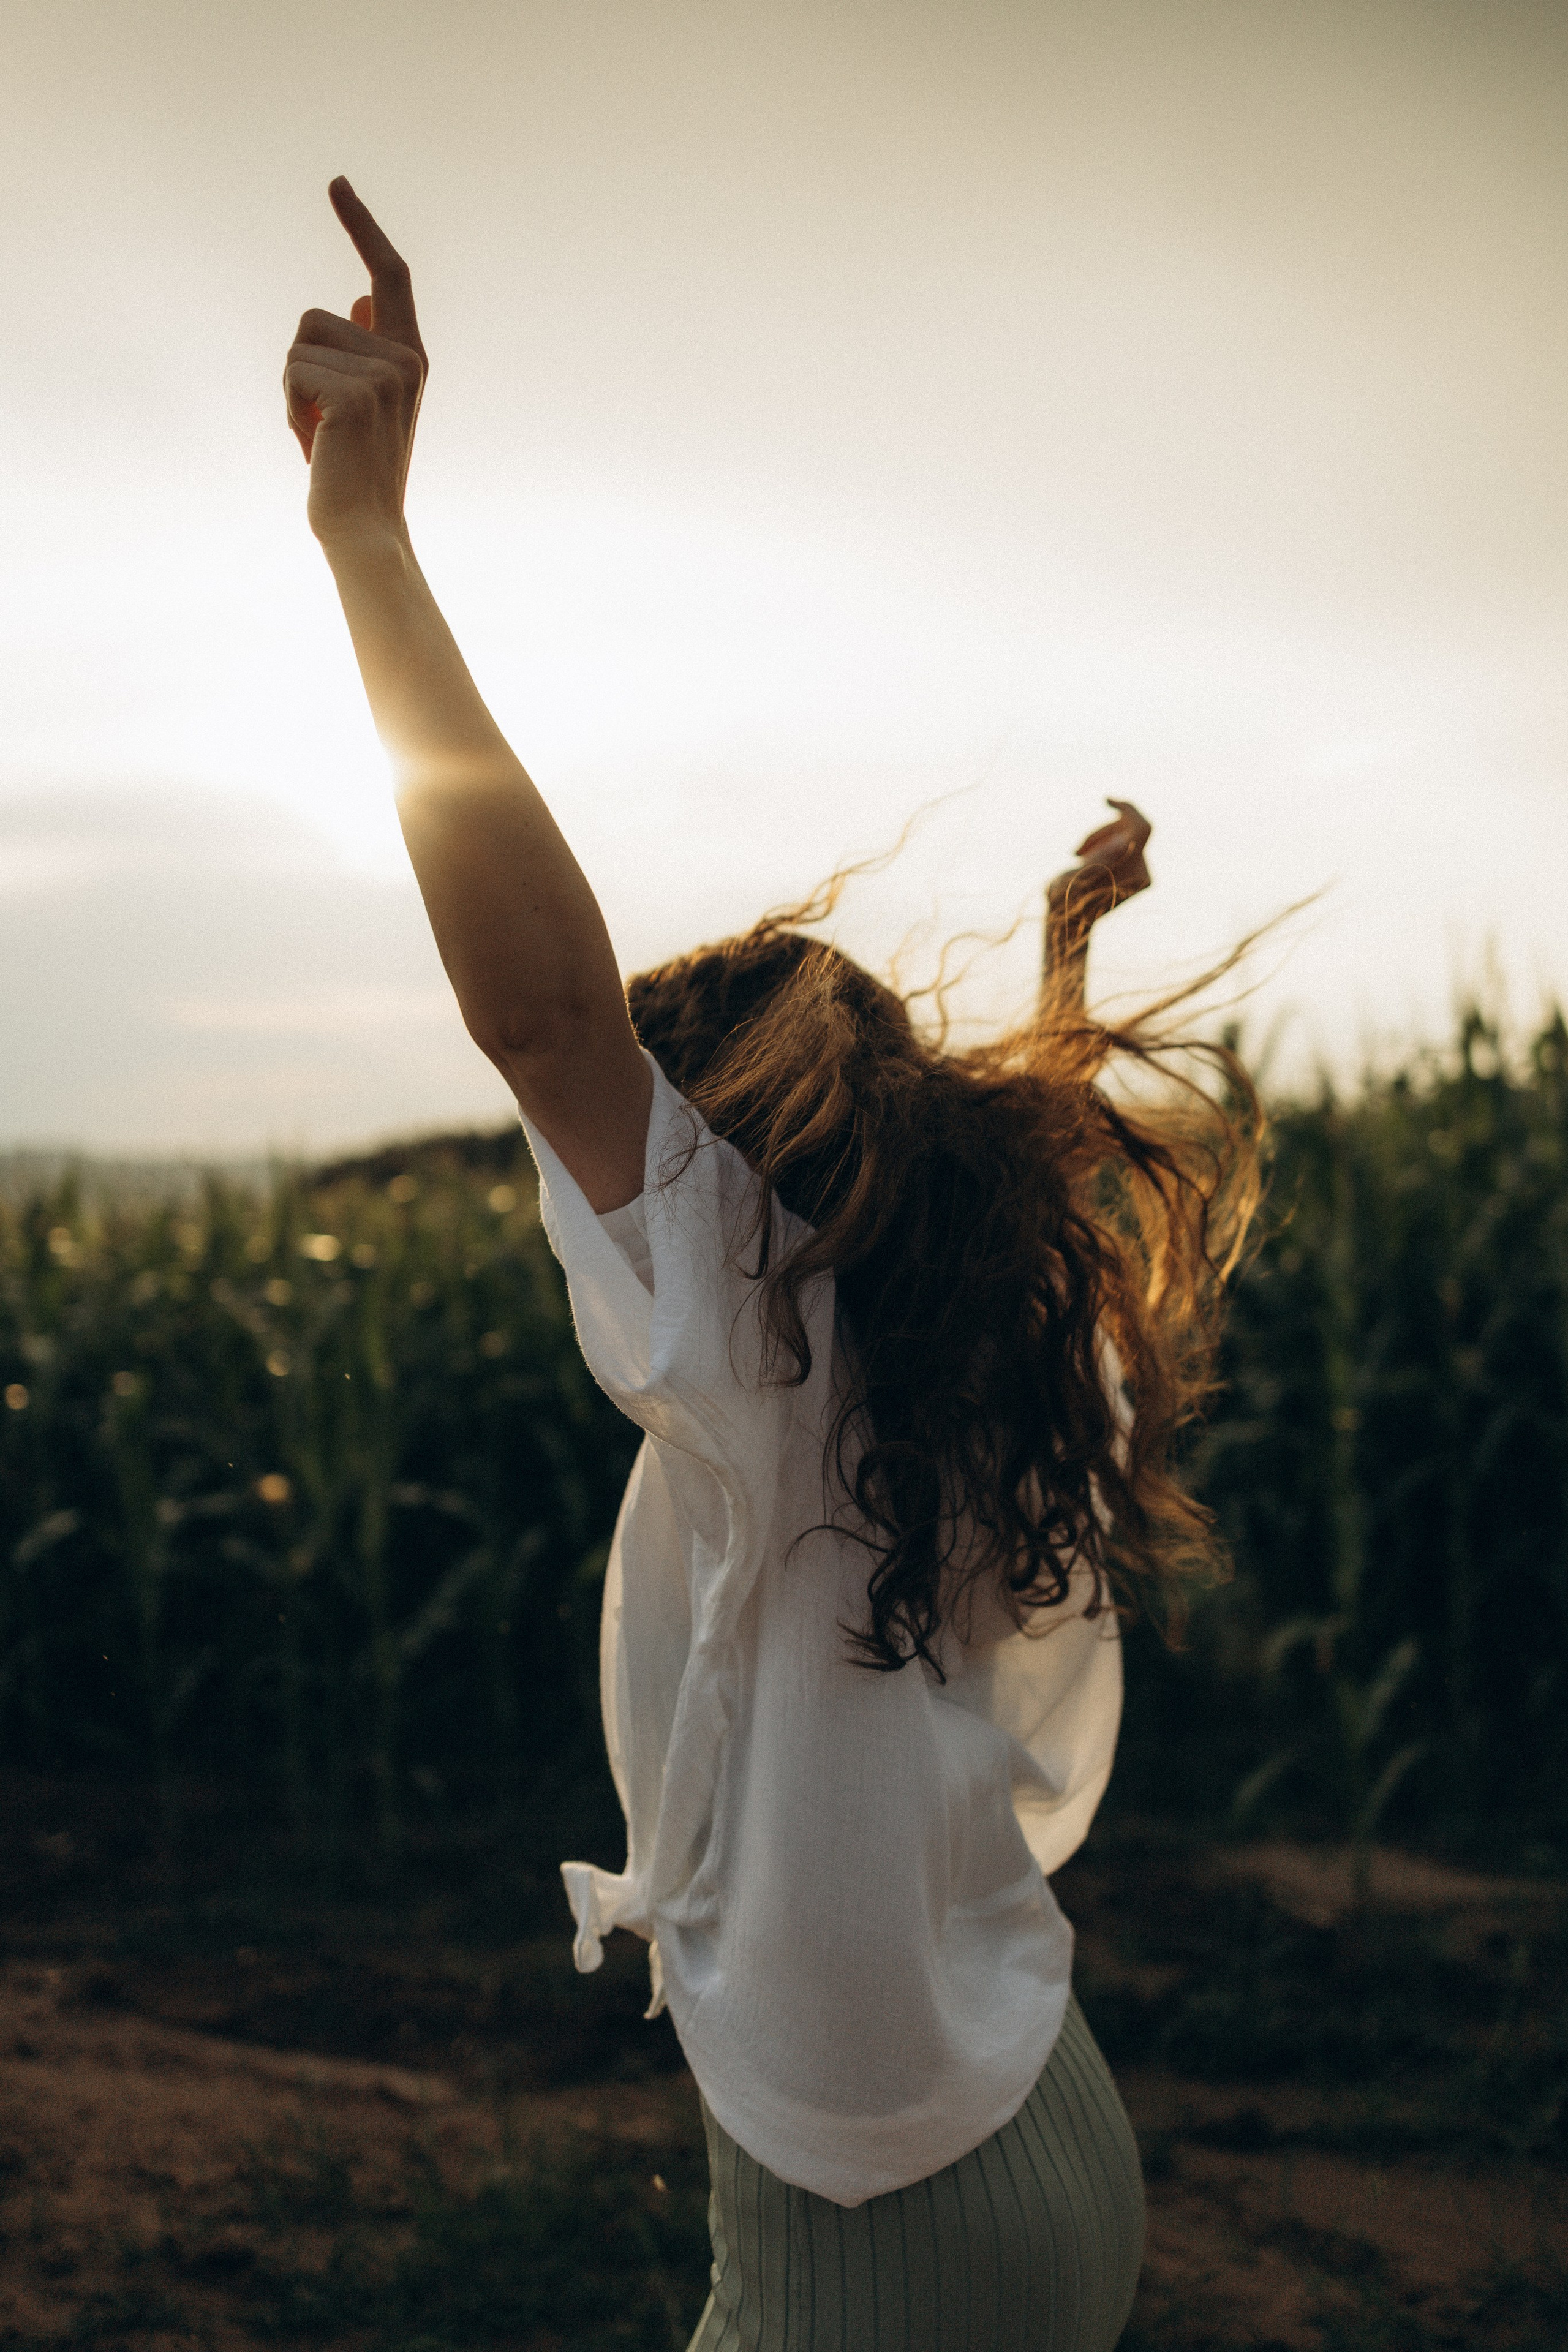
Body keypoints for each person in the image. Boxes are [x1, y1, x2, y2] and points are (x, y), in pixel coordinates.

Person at [285, 179, 1257, 2352]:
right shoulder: (993, 1326)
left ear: (732, 1167)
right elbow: (1046, 1172)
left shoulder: (766, 1332)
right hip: (1046, 2124)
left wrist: (366, 544)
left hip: (867, 2225)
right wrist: (1069, 960)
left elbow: (540, 1018)